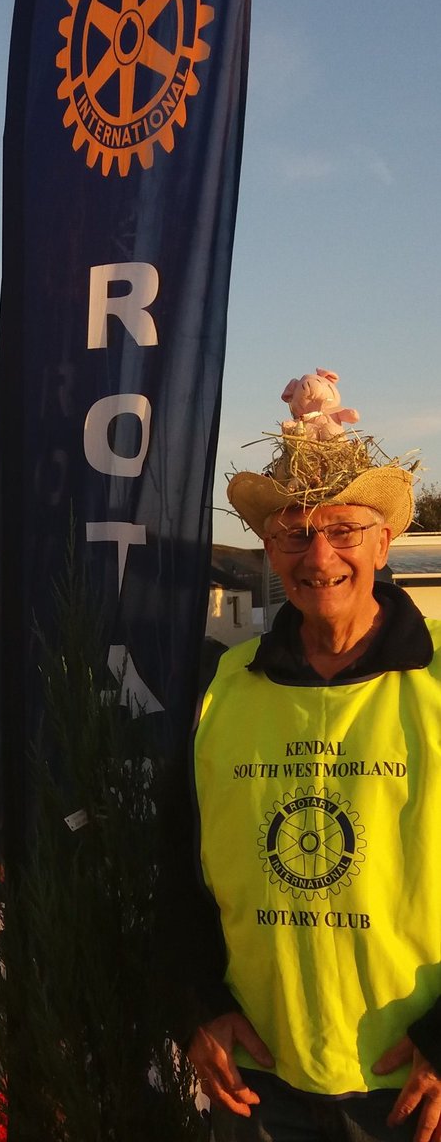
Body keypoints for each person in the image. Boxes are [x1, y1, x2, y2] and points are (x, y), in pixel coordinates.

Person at [185, 387, 441, 1142]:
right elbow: (179, 864)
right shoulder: (225, 690)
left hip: (409, 1089)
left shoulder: (434, 687)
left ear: (385, 540)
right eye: (294, 534)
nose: (319, 556)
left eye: (343, 529)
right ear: (269, 550)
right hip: (260, 1083)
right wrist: (199, 1004)